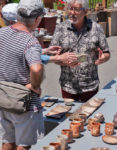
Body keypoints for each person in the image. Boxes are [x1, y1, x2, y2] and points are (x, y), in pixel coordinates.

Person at [0, 0, 75, 149]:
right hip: (24, 101)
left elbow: (13, 53)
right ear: (36, 19)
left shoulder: (2, 33)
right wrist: (35, 86)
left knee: (7, 140)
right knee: (24, 144)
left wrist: (44, 51)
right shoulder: (30, 41)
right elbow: (36, 69)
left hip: (3, 96)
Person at [51, 0, 110, 102]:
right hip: (68, 86)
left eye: (77, 9)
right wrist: (62, 60)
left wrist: (103, 58)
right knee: (69, 116)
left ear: (86, 11)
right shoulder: (60, 28)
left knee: (90, 116)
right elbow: (52, 56)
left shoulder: (96, 28)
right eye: (70, 8)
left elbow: (106, 52)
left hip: (90, 86)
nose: (72, 12)